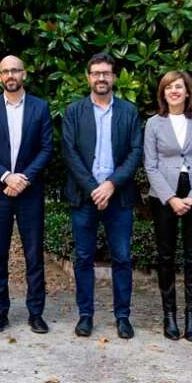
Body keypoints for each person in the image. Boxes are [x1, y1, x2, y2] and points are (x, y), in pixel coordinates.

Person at [61, 52, 142, 339]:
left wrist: (110, 185)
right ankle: (86, 315)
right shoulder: (74, 111)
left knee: (121, 257)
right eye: (96, 73)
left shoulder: (129, 112)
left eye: (106, 73)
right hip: (85, 197)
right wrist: (93, 187)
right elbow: (69, 152)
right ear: (88, 77)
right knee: (83, 257)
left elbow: (135, 153)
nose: (101, 78)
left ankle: (123, 316)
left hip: (118, 197)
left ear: (114, 77)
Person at [0, 55, 53, 334]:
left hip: (29, 192)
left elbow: (46, 149)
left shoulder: (40, 107)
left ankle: (36, 313)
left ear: (24, 74)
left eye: (15, 70)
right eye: (6, 71)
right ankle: (0, 312)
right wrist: (7, 176)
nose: (11, 75)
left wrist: (24, 178)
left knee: (34, 254)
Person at [143, 71, 192, 342]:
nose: (174, 91)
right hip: (164, 194)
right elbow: (150, 164)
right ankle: (169, 315)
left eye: (179, 87)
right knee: (166, 255)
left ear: (188, 92)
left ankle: (191, 316)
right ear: (163, 93)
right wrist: (170, 198)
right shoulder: (153, 123)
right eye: (168, 87)